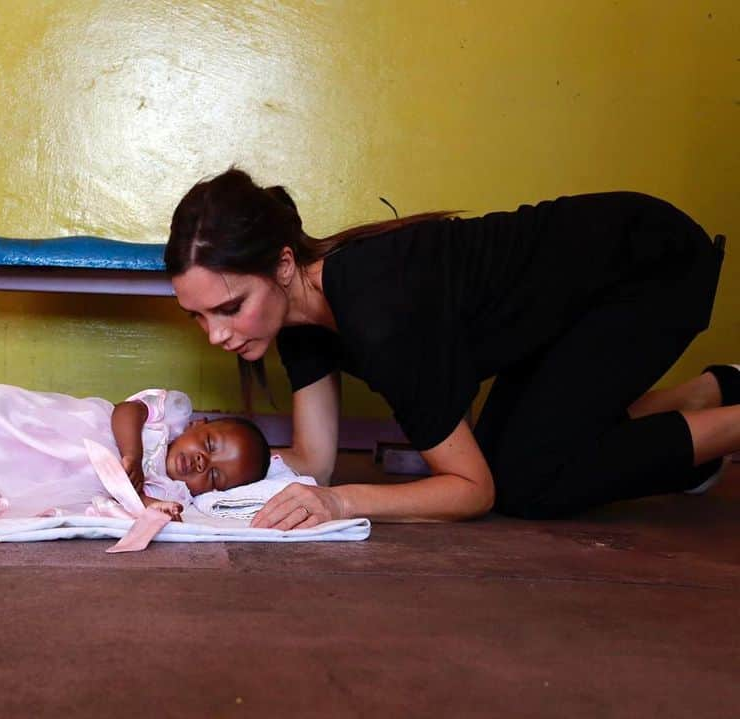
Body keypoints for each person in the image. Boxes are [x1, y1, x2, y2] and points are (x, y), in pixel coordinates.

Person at [166, 168, 737, 528]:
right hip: (569, 313)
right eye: (197, 314)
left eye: (230, 307)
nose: (216, 335)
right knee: (515, 456)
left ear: (283, 265)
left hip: (649, 270)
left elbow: (472, 491)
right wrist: (178, 480)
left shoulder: (379, 313)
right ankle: (716, 389)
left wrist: (342, 505)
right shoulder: (298, 318)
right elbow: (315, 462)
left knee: (531, 482)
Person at [0, 385, 271, 520]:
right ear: (201, 424)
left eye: (215, 476)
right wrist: (131, 456)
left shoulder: (174, 491)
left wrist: (147, 500)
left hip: (60, 477)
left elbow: (140, 504)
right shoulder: (168, 417)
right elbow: (125, 411)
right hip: (55, 427)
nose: (203, 462)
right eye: (209, 445)